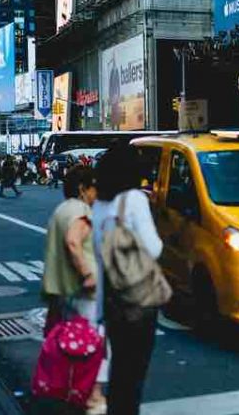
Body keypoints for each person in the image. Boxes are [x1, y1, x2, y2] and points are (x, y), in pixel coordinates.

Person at [92, 144, 163, 415]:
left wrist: (98, 311)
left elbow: (98, 256)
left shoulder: (99, 203)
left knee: (120, 370)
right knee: (133, 375)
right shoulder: (134, 199)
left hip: (111, 302)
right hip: (138, 300)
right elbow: (153, 248)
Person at [40, 165, 107, 415]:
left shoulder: (61, 210)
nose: (96, 193)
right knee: (94, 343)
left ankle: (76, 391)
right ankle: (94, 396)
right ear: (83, 188)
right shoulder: (80, 210)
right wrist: (88, 273)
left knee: (74, 343)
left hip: (64, 290)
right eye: (93, 187)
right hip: (84, 291)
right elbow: (73, 241)